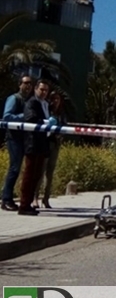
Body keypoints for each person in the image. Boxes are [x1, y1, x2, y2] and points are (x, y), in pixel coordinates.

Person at [18, 79, 53, 215]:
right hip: (33, 143)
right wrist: (45, 122)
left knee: (36, 175)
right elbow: (30, 118)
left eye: (46, 90)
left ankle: (29, 204)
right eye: (41, 89)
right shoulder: (32, 102)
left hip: (42, 144)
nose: (44, 92)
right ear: (36, 89)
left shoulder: (45, 104)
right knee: (29, 174)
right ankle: (24, 204)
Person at [1, 75, 34, 211]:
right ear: (20, 84)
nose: (28, 86)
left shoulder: (29, 100)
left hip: (24, 138)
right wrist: (23, 116)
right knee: (14, 168)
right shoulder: (14, 98)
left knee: (20, 169)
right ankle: (6, 199)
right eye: (26, 83)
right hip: (14, 138)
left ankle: (12, 197)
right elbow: (7, 116)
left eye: (30, 83)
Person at [34, 90, 66, 209]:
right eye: (53, 99)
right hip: (45, 143)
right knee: (40, 172)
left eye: (57, 99)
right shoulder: (46, 110)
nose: (55, 101)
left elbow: (64, 126)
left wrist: (60, 133)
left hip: (55, 144)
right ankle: (35, 197)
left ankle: (46, 199)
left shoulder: (61, 113)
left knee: (50, 173)